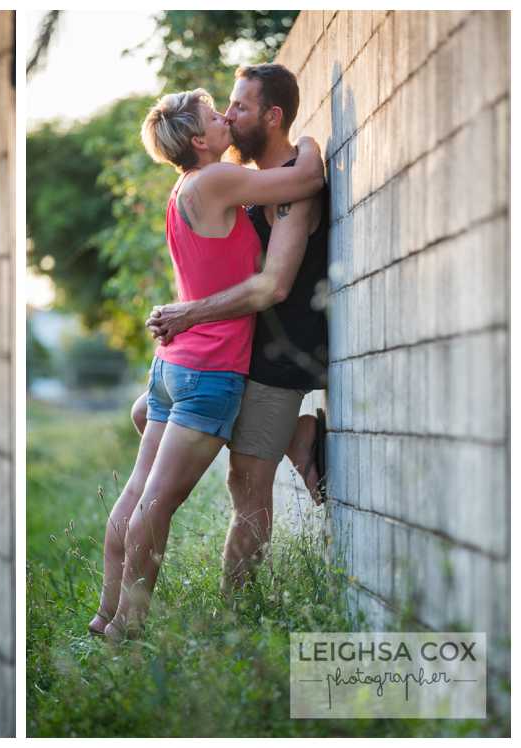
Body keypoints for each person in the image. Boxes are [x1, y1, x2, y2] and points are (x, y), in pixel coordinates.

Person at [89, 87, 324, 641]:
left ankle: (106, 615)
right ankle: (129, 625)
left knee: (136, 493)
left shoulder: (182, 190)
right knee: (157, 501)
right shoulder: (215, 180)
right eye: (216, 115)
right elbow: (306, 178)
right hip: (208, 372)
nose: (225, 118)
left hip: (174, 367)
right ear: (199, 140)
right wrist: (310, 137)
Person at [141, 64, 330, 595]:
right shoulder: (248, 184)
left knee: (245, 485)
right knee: (146, 413)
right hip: (237, 350)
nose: (228, 114)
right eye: (225, 105)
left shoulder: (293, 182)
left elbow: (273, 287)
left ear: (272, 117)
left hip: (275, 358)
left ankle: (238, 616)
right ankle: (299, 436)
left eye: (240, 107)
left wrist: (190, 314)